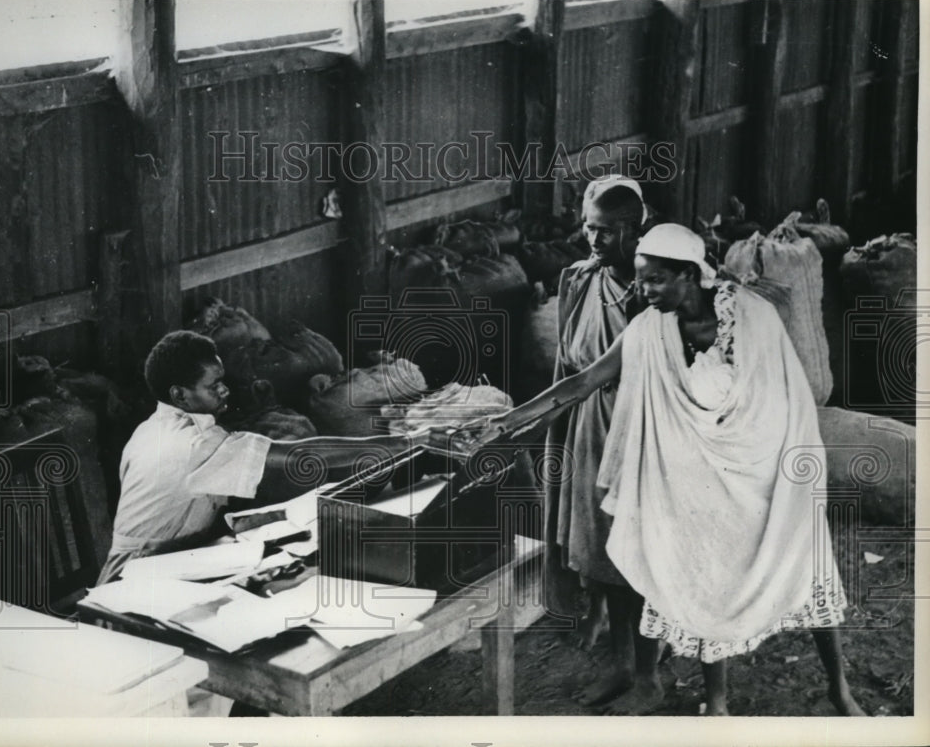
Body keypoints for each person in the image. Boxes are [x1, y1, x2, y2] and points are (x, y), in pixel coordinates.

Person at [479, 224, 865, 716]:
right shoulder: (649, 331)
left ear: (690, 274)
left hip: (765, 476)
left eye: (656, 280)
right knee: (700, 575)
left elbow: (784, 406)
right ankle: (718, 703)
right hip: (695, 482)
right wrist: (507, 419)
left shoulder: (753, 318)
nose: (644, 292)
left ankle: (839, 688)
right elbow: (581, 383)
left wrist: (744, 462)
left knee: (806, 568)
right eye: (641, 281)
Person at [96, 330, 426, 585]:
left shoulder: (153, 428)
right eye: (213, 386)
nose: (224, 391)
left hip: (169, 560)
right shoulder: (193, 444)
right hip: (134, 578)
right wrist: (406, 443)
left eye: (222, 381)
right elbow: (301, 456)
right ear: (179, 394)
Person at [542, 175, 662, 712]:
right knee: (602, 558)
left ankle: (649, 677)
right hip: (592, 427)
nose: (595, 241)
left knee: (641, 560)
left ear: (637, 230)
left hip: (644, 434)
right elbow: (568, 368)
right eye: (590, 229)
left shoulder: (656, 292)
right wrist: (555, 429)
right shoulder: (579, 281)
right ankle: (620, 667)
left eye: (609, 232)